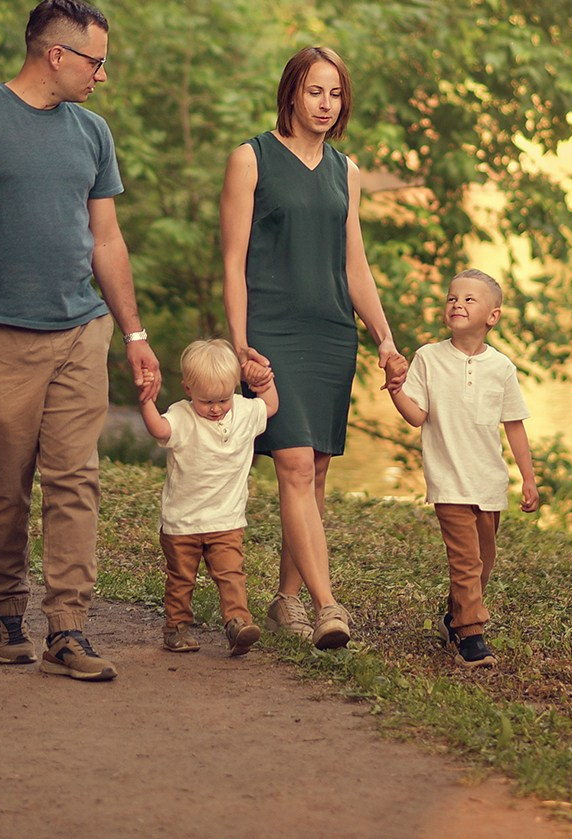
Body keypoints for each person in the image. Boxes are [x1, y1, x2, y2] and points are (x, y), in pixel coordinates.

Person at [0, 0, 163, 683]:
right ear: (57, 54)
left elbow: (106, 239)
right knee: (2, 484)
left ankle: (69, 627)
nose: (101, 75)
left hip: (81, 330)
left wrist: (134, 333)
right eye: (96, 61)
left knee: (75, 476)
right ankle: (6, 613)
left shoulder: (92, 132)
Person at [219, 44, 406, 651]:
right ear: (291, 92)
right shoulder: (250, 160)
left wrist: (384, 337)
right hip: (271, 331)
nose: (326, 104)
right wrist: (241, 344)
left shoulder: (344, 170)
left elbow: (354, 263)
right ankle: (329, 606)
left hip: (330, 332)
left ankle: (287, 601)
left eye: (335, 94)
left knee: (315, 473)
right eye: (315, 91)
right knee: (295, 466)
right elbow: (232, 259)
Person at [383, 269, 541, 668]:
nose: (458, 304)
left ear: (493, 316)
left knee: (483, 561)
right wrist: (397, 388)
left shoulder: (502, 367)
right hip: (449, 480)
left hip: (489, 483)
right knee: (465, 560)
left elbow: (514, 425)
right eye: (453, 297)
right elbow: (416, 416)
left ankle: (454, 617)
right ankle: (472, 636)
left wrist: (529, 478)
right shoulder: (428, 358)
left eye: (470, 299)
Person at [140, 339, 278, 657]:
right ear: (188, 389)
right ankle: (176, 628)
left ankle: (237, 623)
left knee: (231, 574)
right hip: (182, 523)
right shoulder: (181, 416)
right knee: (181, 578)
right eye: (206, 402)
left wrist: (264, 382)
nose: (215, 408)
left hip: (226, 520)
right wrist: (147, 400)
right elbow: (159, 430)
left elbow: (269, 406)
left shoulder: (243, 410)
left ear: (233, 389)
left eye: (222, 399)